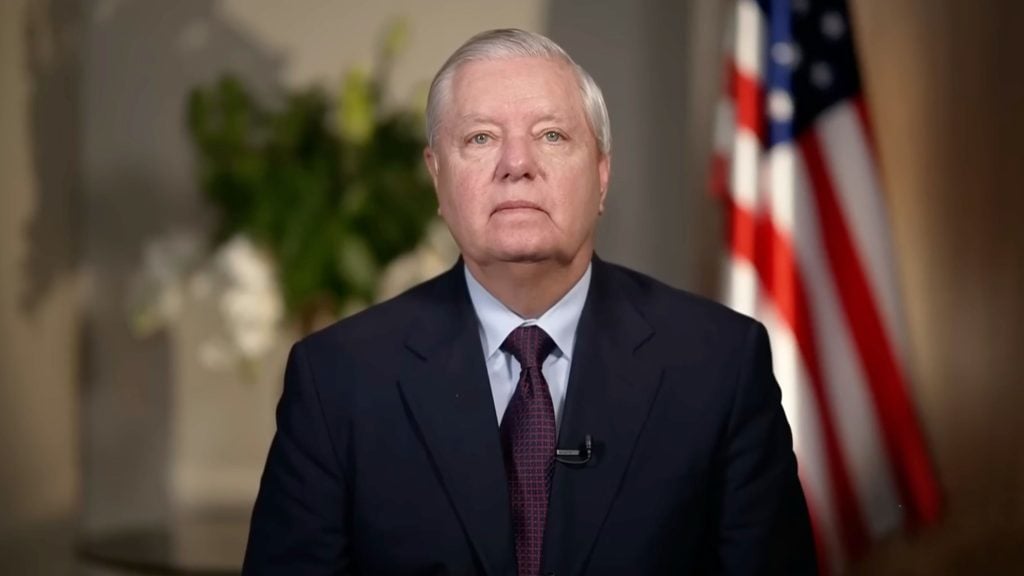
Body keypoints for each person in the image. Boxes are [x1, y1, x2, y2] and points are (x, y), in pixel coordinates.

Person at [243, 28, 816, 576]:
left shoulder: (719, 364)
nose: (517, 165)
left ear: (601, 174)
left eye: (551, 135)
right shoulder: (337, 379)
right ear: (437, 177)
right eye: (480, 138)